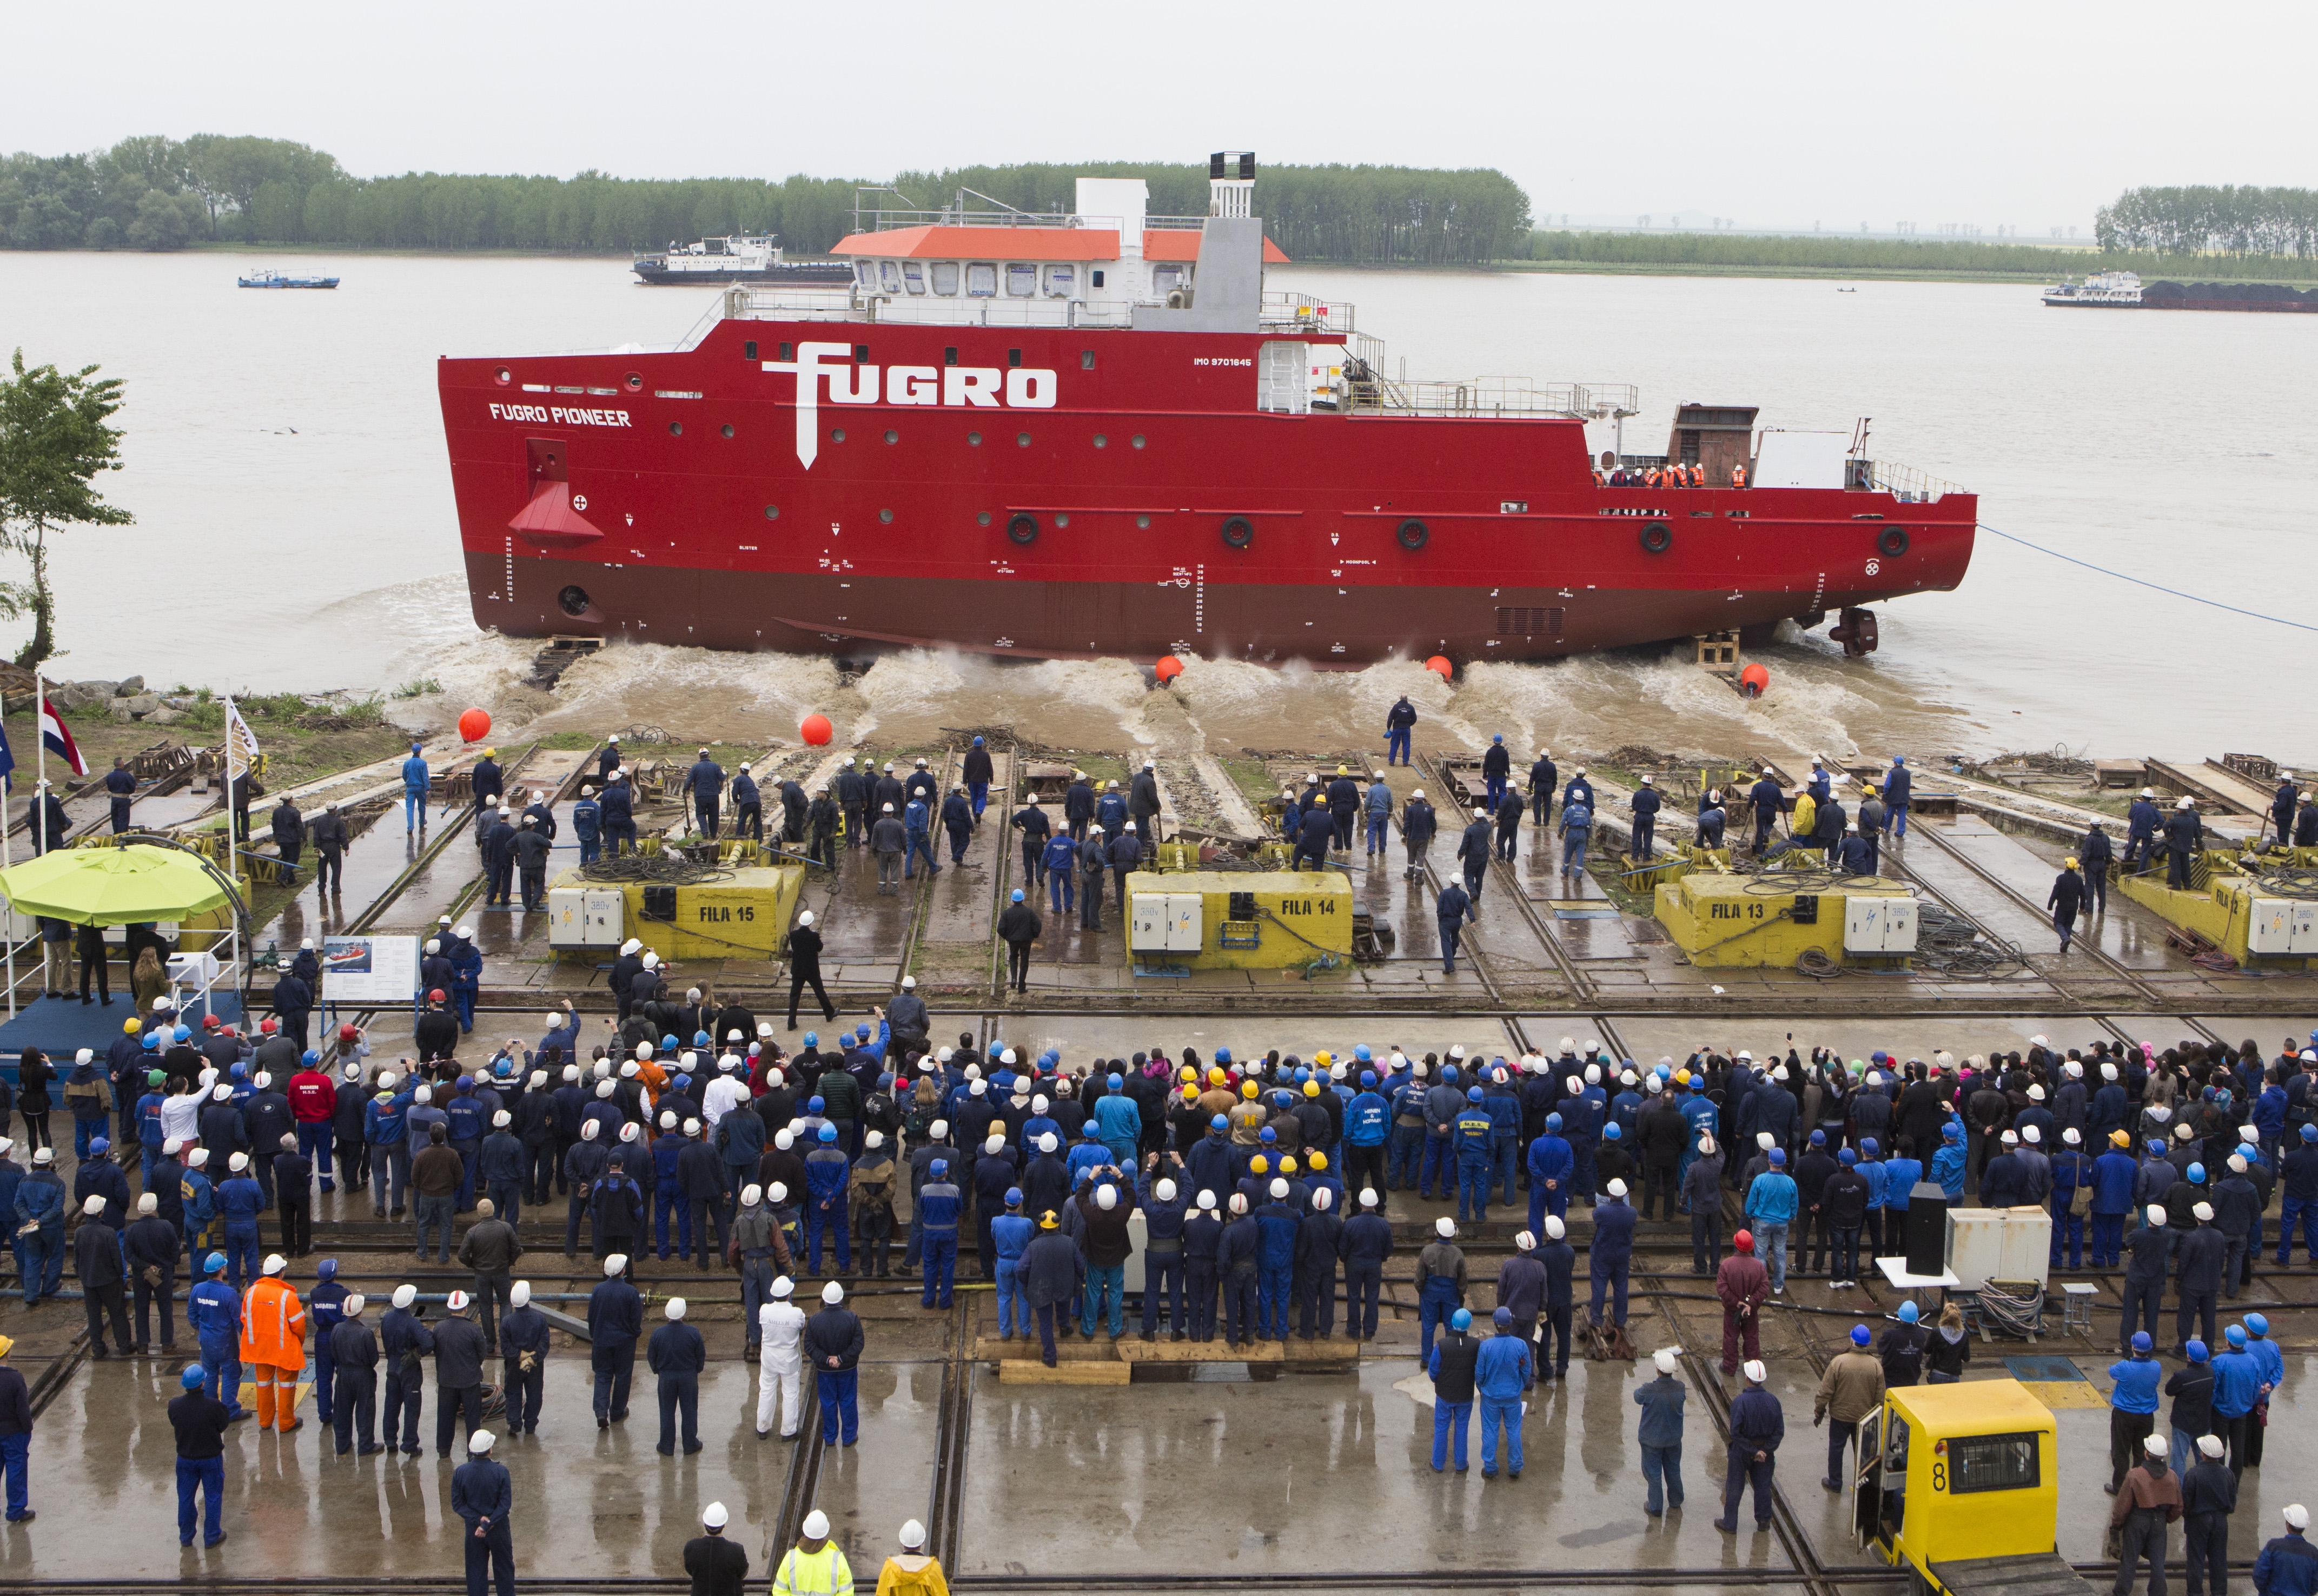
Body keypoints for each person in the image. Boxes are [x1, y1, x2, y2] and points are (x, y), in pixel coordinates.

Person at [240, 1253, 307, 1433]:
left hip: (260, 1349)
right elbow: (299, 1326)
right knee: (286, 1385)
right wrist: (297, 1343)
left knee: (263, 1383)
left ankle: (265, 1421)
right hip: (283, 1349)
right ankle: (286, 1422)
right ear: (282, 1273)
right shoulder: (288, 1297)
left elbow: (245, 1319)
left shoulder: (251, 1292)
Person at [2112, 1432, 2184, 1596]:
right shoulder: (2172, 1477)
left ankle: (2121, 1592)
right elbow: (2179, 1507)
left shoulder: (2135, 1475)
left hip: (2137, 1521)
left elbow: (2122, 1507)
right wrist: (2166, 1519)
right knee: (2158, 1564)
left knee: (2129, 1561)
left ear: (2146, 1453)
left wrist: (2116, 1526)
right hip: (2160, 1522)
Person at [1816, 1324, 1887, 1492]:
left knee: (1836, 1448)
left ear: (1852, 1341)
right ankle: (1864, 1484)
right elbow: (1881, 1398)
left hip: (1840, 1417)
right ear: (1868, 1344)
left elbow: (1825, 1391)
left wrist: (1819, 1408)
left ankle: (1835, 1483)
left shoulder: (1838, 1362)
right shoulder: (1875, 1366)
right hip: (1865, 1418)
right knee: (1863, 1453)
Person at [1717, 1360, 1783, 1534]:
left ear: (1747, 1378)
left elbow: (1736, 1433)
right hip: (1765, 1454)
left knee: (1735, 1486)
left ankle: (1730, 1524)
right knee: (1763, 1486)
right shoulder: (1774, 1401)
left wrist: (1753, 1451)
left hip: (1742, 1452)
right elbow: (1779, 1431)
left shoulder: (1740, 1402)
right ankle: (1764, 1522)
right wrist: (1764, 1451)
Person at [452, 1429, 515, 1596]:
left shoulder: (460, 1472)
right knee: (504, 1569)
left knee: (475, 1570)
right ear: (490, 1450)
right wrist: (489, 1523)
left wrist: (479, 1520)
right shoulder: (501, 1472)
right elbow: (505, 1505)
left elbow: (458, 1504)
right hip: (498, 1528)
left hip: (474, 1530)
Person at [1019, 1207, 1085, 1367]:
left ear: (1041, 1227)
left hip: (1041, 1289)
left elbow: (1021, 1269)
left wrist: (1028, 1283)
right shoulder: (1069, 1242)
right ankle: (1065, 1327)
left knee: (1046, 1324)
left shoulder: (1033, 1246)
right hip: (1064, 1285)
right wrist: (1075, 1278)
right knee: (1063, 1305)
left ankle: (1050, 1357)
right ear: (1058, 1226)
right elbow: (1081, 1264)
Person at [1475, 1306, 1532, 1479]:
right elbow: (1526, 1370)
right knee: (1514, 1430)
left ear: (1494, 1323)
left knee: (1490, 1431)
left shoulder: (1486, 1347)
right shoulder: (1520, 1345)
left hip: (1491, 1396)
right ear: (1511, 1323)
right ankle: (1515, 1467)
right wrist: (1519, 1386)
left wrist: (1483, 1388)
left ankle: (1491, 1468)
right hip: (1513, 1396)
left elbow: (1480, 1374)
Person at [588, 1254, 643, 1428]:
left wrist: (594, 1334)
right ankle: (617, 1411)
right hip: (624, 1342)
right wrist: (635, 1333)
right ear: (623, 1271)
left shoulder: (598, 1290)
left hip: (601, 1340)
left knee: (603, 1375)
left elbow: (592, 1317)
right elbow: (636, 1319)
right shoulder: (631, 1292)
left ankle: (601, 1412)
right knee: (622, 1376)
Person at [806, 1280, 863, 1447]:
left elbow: (809, 1346)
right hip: (847, 1369)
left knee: (828, 1402)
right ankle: (849, 1437)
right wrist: (841, 1359)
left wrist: (827, 1359)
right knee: (848, 1400)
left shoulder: (815, 1321)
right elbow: (858, 1344)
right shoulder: (852, 1319)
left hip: (825, 1371)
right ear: (841, 1299)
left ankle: (830, 1437)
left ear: (824, 1299)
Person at [648, 1297, 706, 1456]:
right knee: (689, 1410)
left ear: (667, 1314)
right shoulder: (693, 1332)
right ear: (684, 1313)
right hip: (688, 1376)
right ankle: (690, 1444)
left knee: (667, 1411)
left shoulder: (658, 1334)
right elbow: (701, 1355)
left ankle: (666, 1446)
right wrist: (696, 1371)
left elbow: (651, 1356)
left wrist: (658, 1371)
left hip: (666, 1377)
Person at [2182, 1432, 2237, 1596]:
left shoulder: (2193, 1475)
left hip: (2198, 1521)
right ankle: (2219, 1593)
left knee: (2196, 1561)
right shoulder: (2228, 1474)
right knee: (2219, 1561)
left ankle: (2195, 1593)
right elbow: (2232, 1503)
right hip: (2220, 1521)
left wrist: (2190, 1516)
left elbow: (2186, 1503)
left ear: (2202, 1453)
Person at [2111, 1332, 2164, 1494]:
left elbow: (2112, 1372)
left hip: (2124, 1415)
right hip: (2146, 1416)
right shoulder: (2156, 1367)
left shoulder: (2124, 1367)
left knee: (2121, 1451)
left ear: (2133, 1347)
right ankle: (2139, 1485)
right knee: (2142, 1452)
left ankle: (2120, 1487)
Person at [329, 1291, 382, 1456]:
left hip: (344, 1373)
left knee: (342, 1410)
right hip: (362, 1374)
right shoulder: (366, 1333)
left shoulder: (337, 1329)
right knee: (365, 1410)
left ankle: (342, 1445)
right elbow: (374, 1358)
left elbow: (334, 1352)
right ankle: (366, 1445)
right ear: (361, 1311)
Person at [1636, 1346, 1687, 1516]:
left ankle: (1655, 1507)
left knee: (1654, 1473)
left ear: (1658, 1370)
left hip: (1652, 1440)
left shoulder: (1649, 1389)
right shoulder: (1680, 1388)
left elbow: (1637, 1397)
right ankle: (1676, 1500)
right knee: (1673, 1469)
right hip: (1673, 1439)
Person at [1428, 1306, 1479, 1473]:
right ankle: (1461, 1463)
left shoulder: (1442, 1345)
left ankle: (1438, 1463)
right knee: (1462, 1427)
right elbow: (1479, 1369)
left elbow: (1433, 1370)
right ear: (1469, 1324)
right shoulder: (1475, 1345)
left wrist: (1439, 1382)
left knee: (1441, 1427)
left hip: (1445, 1395)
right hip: (1465, 1395)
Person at [757, 1275, 807, 1440]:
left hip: (769, 1359)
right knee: (791, 1392)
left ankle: (762, 1427)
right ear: (789, 1294)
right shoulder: (797, 1313)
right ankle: (788, 1431)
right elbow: (801, 1326)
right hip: (789, 1359)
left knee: (766, 1390)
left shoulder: (764, 1310)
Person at [1717, 1229, 1770, 1373]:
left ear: (1736, 1244)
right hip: (1750, 1312)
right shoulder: (1758, 1266)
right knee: (1752, 1338)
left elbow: (1722, 1288)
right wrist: (1751, 1304)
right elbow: (1765, 1287)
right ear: (1752, 1246)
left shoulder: (1726, 1265)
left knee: (1730, 1338)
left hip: (1732, 1311)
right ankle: (1753, 1369)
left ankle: (1729, 1367)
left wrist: (1736, 1303)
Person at [772, 1510, 853, 1596]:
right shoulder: (837, 1559)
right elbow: (847, 1593)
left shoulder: (791, 1558)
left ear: (805, 1530)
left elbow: (779, 1592)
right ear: (826, 1531)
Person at [686, 1501, 752, 1596]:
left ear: (705, 1524)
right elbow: (743, 1573)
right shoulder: (736, 1550)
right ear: (724, 1525)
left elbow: (690, 1569)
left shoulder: (692, 1547)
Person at [786, 910, 837, 1029]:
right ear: (810, 923)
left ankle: (791, 1023)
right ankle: (829, 1014)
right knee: (820, 992)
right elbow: (819, 948)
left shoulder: (793, 935)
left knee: (794, 996)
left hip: (798, 970)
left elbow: (794, 948)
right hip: (812, 971)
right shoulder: (814, 936)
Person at [2251, 1505, 2316, 1596]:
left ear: (2288, 1525)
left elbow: (2259, 1575)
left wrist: (2266, 1593)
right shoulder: (2313, 1552)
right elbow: (2315, 1583)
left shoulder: (2273, 1546)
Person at [0, 1336, 27, 1524]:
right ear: (8, 1354)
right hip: (14, 1432)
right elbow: (23, 1409)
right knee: (15, 1469)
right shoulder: (15, 1378)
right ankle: (16, 1511)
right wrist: (28, 1428)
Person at [997, 890, 1040, 996]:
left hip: (1013, 941)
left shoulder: (1007, 913)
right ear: (1023, 899)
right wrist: (1034, 935)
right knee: (1024, 962)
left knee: (1013, 958)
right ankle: (1022, 986)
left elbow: (1000, 929)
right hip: (1026, 940)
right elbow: (1038, 924)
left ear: (1012, 900)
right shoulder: (1029, 912)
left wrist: (1008, 937)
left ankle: (1013, 979)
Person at [1385, 695, 1415, 766]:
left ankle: (1392, 761)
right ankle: (1405, 762)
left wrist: (1388, 728)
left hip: (1397, 729)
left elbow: (1390, 718)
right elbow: (1414, 719)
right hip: (1406, 729)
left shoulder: (1396, 707)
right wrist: (1409, 725)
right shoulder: (1411, 708)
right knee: (1406, 745)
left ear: (1400, 698)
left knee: (1394, 745)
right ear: (1407, 699)